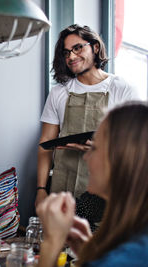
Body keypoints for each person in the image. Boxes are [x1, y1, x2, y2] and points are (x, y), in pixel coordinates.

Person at [36, 24, 139, 230]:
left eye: (78, 48)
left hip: (105, 193)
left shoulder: (122, 89)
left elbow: (135, 149)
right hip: (62, 188)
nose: (71, 56)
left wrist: (100, 149)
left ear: (95, 47)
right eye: (66, 52)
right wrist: (40, 189)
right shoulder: (59, 93)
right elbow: (44, 145)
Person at [37, 102, 148, 267]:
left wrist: (52, 244)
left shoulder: (126, 258)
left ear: (121, 160)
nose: (86, 157)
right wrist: (90, 251)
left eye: (94, 148)